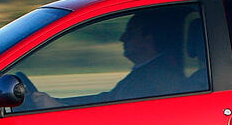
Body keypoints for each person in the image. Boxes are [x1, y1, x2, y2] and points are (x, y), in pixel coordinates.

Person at [27, 8, 186, 109]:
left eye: (130, 33)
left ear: (149, 39)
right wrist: (55, 102)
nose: (122, 38)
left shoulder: (155, 79)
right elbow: (105, 100)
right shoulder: (146, 73)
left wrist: (57, 107)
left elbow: (116, 122)